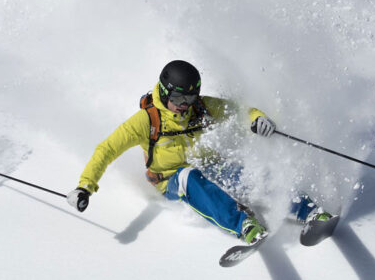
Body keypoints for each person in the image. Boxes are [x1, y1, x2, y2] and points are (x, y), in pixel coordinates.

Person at [67, 60, 331, 244]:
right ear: (164, 91)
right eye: (180, 100)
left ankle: (309, 210)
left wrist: (257, 118)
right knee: (187, 176)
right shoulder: (147, 120)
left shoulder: (200, 107)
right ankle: (244, 225)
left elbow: (241, 110)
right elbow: (107, 149)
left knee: (244, 172)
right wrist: (85, 186)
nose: (185, 106)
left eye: (191, 99)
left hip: (209, 165)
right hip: (170, 179)